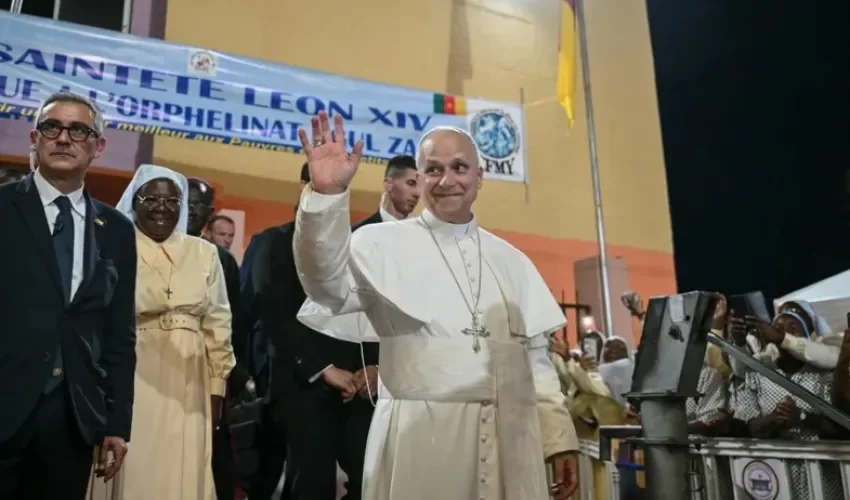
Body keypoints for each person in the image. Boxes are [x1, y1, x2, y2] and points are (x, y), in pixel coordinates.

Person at [293, 111, 579, 500]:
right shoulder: (381, 244)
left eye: (459, 167)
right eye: (433, 170)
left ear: (478, 177)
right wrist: (326, 199)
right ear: (420, 177)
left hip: (510, 443)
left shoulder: (513, 261)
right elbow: (325, 285)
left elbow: (537, 361)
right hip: (419, 443)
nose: (447, 180)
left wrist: (558, 438)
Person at [0, 91, 137, 498]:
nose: (63, 138)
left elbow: (119, 334)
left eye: (79, 130)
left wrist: (116, 422)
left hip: (73, 420)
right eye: (51, 127)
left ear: (98, 146)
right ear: (33, 138)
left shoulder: (115, 229)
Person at [92, 164, 236, 499]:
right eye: (152, 199)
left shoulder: (204, 252)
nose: (162, 207)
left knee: (181, 471)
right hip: (131, 369)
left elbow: (218, 323)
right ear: (135, 201)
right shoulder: (115, 244)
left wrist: (217, 388)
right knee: (133, 464)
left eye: (172, 201)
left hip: (189, 376)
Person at [257, 162, 372, 500]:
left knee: (371, 477)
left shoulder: (356, 246)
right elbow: (273, 314)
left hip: (357, 386)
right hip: (301, 385)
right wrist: (323, 369)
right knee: (312, 484)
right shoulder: (274, 242)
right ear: (305, 185)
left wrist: (372, 367)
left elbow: (371, 311)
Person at [186, 176, 251, 500]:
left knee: (213, 453)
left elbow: (234, 320)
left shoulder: (221, 259)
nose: (192, 211)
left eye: (201, 206)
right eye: (188, 202)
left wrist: (233, 376)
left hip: (209, 371)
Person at [354, 155, 420, 226]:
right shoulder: (359, 233)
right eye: (411, 183)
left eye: (420, 186)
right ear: (388, 184)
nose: (417, 193)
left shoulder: (421, 235)